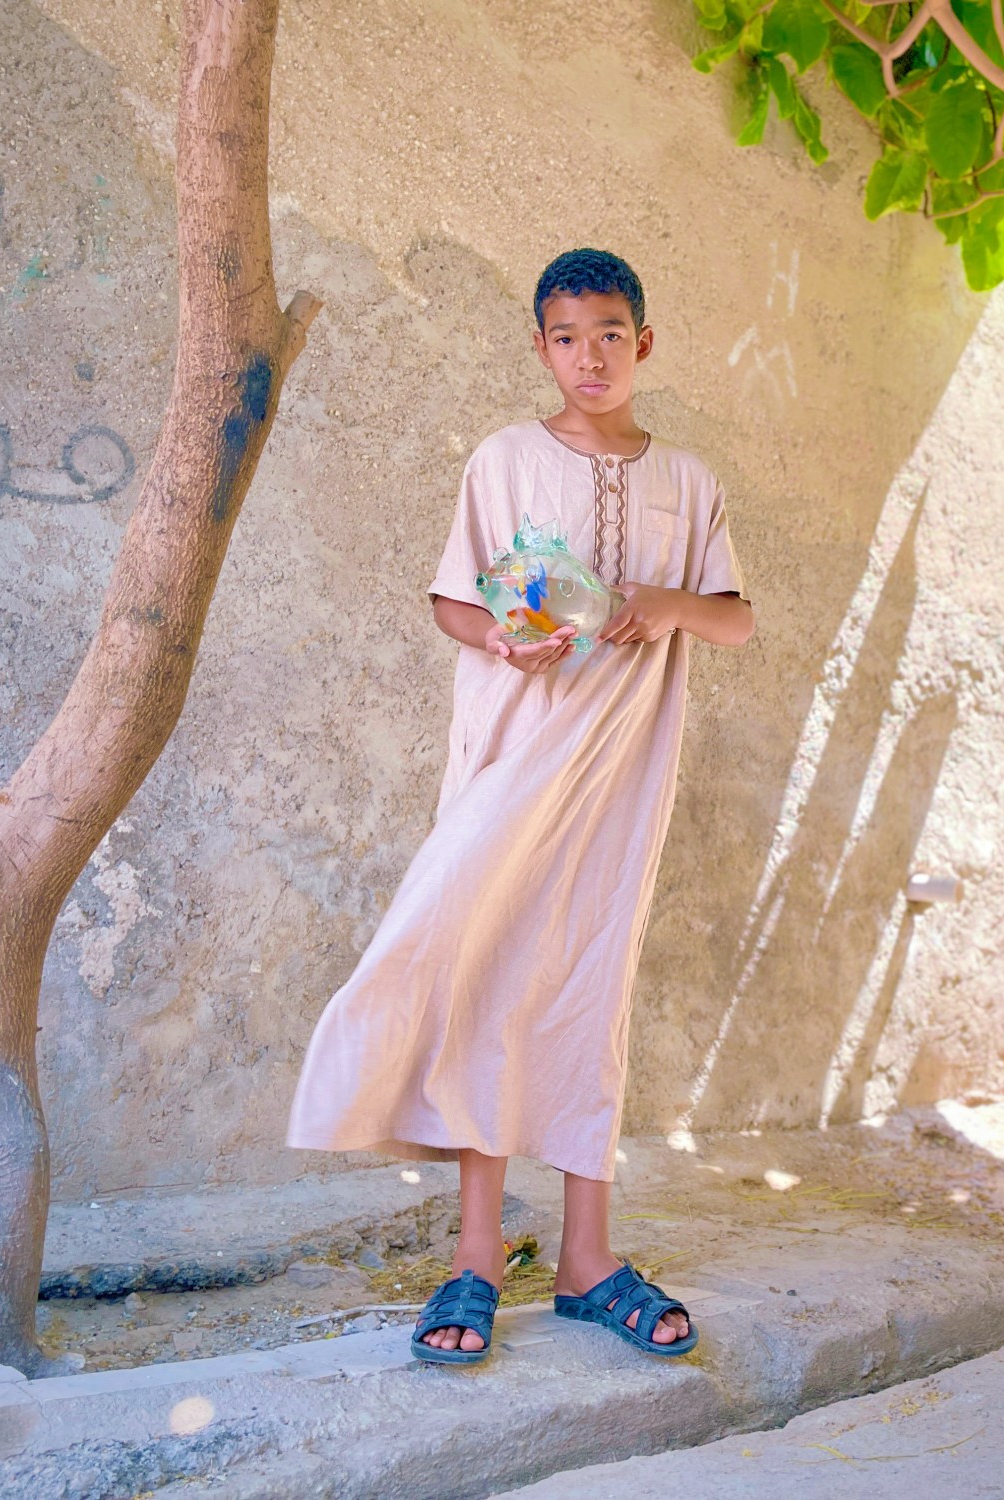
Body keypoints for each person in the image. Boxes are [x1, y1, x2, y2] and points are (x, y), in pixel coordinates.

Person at [287, 248, 755, 1364]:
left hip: (620, 768)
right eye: (562, 337)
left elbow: (732, 620)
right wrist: (501, 638)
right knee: (473, 968)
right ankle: (476, 1256)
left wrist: (663, 602)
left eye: (607, 334)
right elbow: (455, 601)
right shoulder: (502, 460)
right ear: (538, 347)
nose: (586, 357)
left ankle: (589, 1259)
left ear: (642, 343)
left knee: (589, 984)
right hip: (511, 753)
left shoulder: (686, 482)